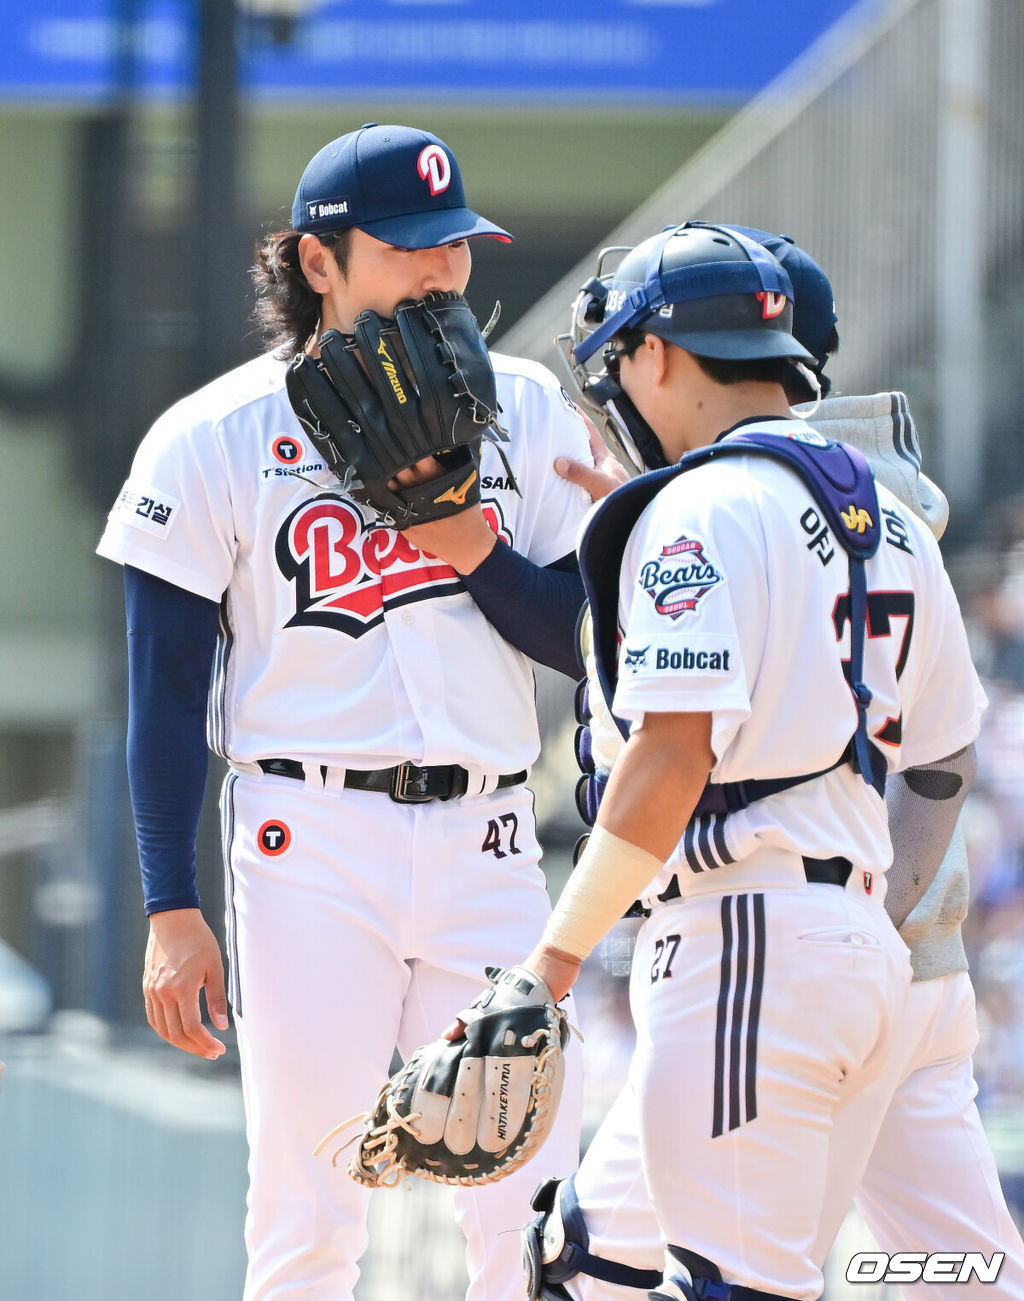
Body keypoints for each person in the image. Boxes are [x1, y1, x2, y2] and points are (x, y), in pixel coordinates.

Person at [96, 122, 592, 1301]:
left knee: (532, 1203)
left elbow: (586, 638)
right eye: (409, 246)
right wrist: (172, 902)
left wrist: (466, 543)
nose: (442, 269)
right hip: (303, 839)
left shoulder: (525, 407)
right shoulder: (212, 433)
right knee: (309, 1211)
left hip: (490, 838)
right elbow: (162, 694)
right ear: (319, 262)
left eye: (456, 244)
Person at [459, 219, 991, 1301]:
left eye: (619, 362)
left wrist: (549, 965)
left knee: (731, 1284)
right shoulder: (891, 514)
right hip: (852, 950)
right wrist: (854, 922)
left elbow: (669, 762)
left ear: (655, 353)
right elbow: (940, 759)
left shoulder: (696, 509)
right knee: (596, 1258)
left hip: (745, 932)